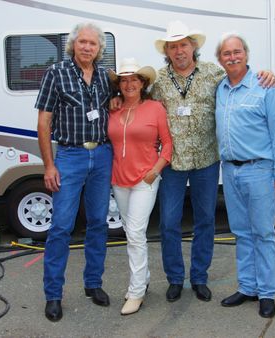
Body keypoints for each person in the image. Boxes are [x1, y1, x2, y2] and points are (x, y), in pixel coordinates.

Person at [150, 20, 275, 303]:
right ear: (167, 51)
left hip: (207, 161)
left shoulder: (214, 74)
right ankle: (174, 279)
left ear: (194, 46)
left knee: (205, 221)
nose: (179, 50)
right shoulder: (157, 81)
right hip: (172, 162)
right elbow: (139, 102)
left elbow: (240, 78)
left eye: (183, 44)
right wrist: (117, 101)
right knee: (169, 222)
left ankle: (199, 278)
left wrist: (267, 75)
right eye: (173, 46)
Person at [35, 22, 113, 322]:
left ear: (99, 49)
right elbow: (44, 123)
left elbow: (118, 104)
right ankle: (53, 294)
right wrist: (49, 165)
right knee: (61, 227)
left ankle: (93, 283)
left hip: (103, 155)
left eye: (92, 44)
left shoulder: (107, 76)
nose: (87, 47)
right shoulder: (56, 73)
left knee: (98, 223)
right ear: (73, 45)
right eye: (82, 42)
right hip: (69, 156)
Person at [214, 33, 275, 318]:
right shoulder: (220, 88)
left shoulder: (265, 86)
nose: (232, 57)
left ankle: (267, 293)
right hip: (230, 170)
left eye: (237, 52)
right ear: (220, 59)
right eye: (226, 53)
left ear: (246, 54)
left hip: (259, 170)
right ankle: (248, 287)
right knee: (241, 232)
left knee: (263, 233)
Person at [108, 58, 172, 315]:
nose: (129, 83)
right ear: (119, 85)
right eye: (124, 79)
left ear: (143, 82)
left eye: (134, 78)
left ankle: (136, 292)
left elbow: (167, 144)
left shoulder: (155, 108)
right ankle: (142, 278)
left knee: (135, 233)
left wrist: (154, 171)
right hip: (119, 179)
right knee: (130, 231)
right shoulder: (112, 108)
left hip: (145, 180)